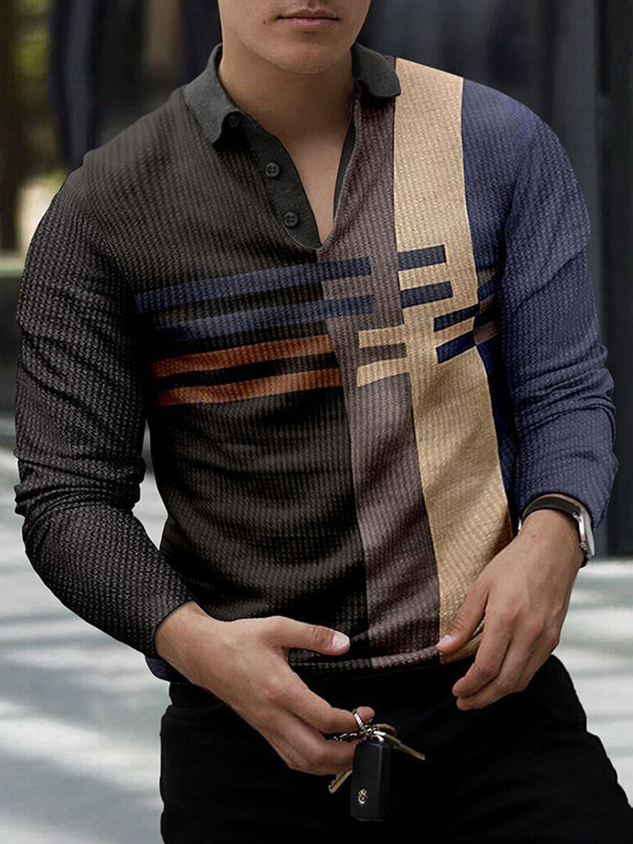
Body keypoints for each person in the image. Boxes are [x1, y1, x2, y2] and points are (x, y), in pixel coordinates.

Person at [13, 0, 633, 841]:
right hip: (245, 728)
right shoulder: (105, 207)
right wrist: (197, 646)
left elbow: (564, 390)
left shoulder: (495, 142)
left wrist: (554, 531)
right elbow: (69, 498)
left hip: (496, 707)